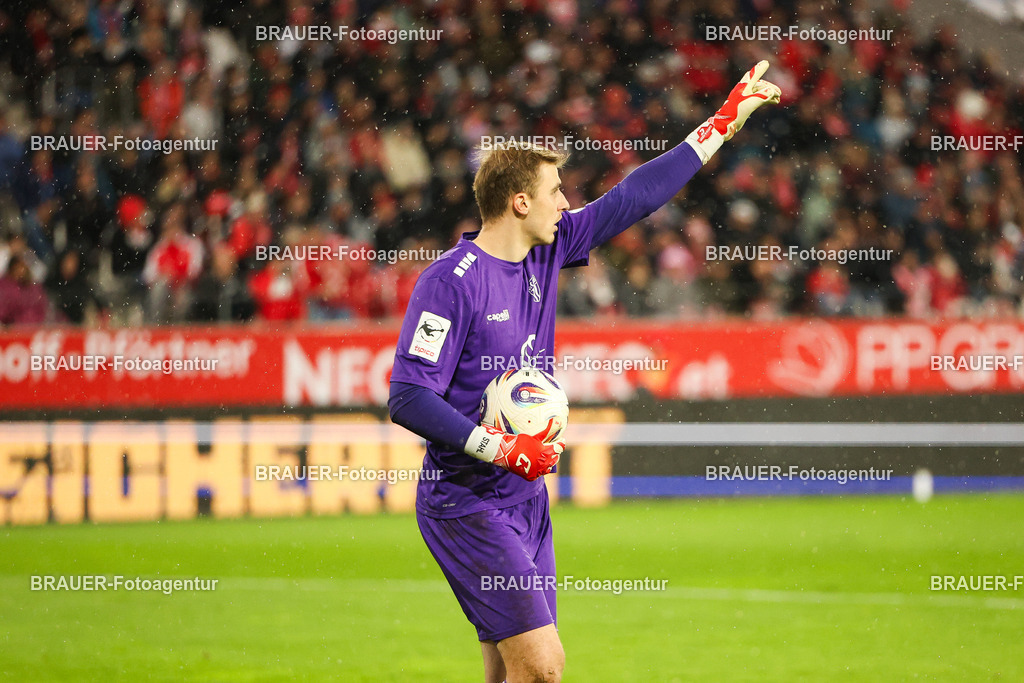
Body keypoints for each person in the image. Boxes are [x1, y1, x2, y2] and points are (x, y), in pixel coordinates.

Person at [388, 62, 781, 683]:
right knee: (544, 668)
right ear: (520, 203)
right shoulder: (449, 284)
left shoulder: (552, 248)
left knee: (508, 669)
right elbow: (408, 396)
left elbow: (636, 196)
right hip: (466, 503)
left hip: (527, 500)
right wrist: (499, 446)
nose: (568, 204)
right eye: (555, 193)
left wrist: (722, 122)